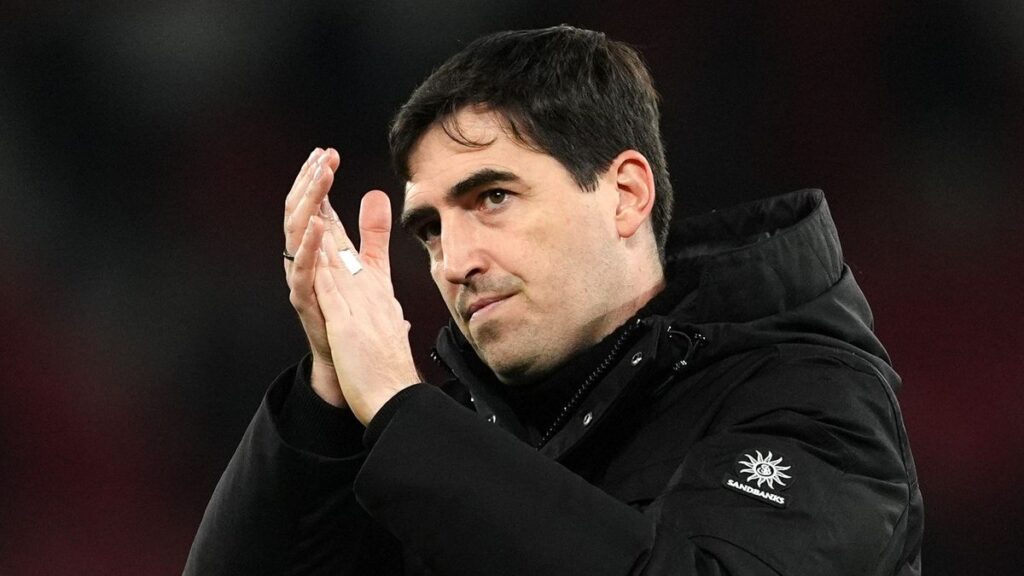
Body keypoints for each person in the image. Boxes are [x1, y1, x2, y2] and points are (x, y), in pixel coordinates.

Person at [184, 25, 922, 575]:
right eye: (431, 229)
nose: (455, 262)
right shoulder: (454, 440)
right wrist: (327, 395)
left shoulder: (813, 398)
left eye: (494, 197)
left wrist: (404, 410)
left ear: (626, 194)